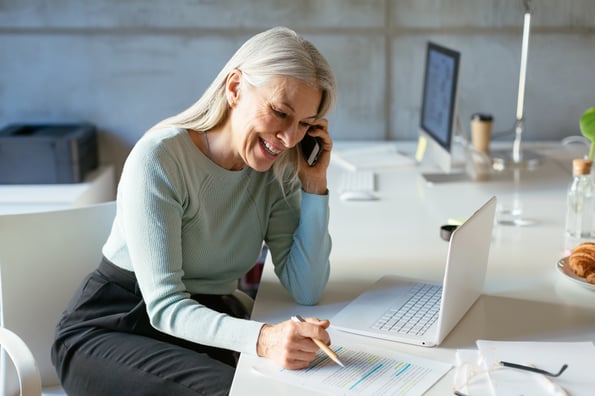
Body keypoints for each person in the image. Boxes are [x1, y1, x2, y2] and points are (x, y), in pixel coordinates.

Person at [51, 26, 337, 396]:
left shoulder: (275, 171)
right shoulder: (161, 158)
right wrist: (264, 339)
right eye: (280, 112)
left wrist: (315, 184)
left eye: (303, 124)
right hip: (116, 325)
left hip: (201, 324)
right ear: (235, 88)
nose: (289, 138)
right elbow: (166, 306)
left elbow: (307, 287)